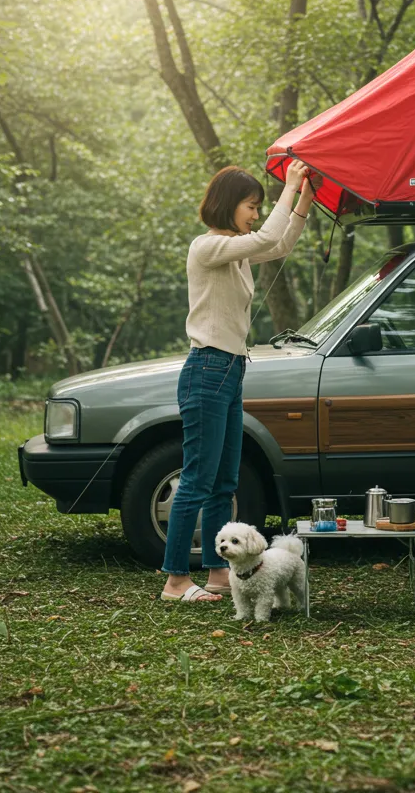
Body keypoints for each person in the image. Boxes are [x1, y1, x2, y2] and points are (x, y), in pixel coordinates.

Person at [161, 160, 316, 603]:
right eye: (251, 206)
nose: (255, 214)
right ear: (229, 204)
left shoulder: (237, 251)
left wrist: (305, 195)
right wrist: (288, 184)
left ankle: (215, 574)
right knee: (196, 478)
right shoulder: (206, 247)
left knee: (224, 481)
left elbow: (280, 242)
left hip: (230, 369)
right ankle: (175, 581)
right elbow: (268, 235)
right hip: (207, 368)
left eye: (258, 207)